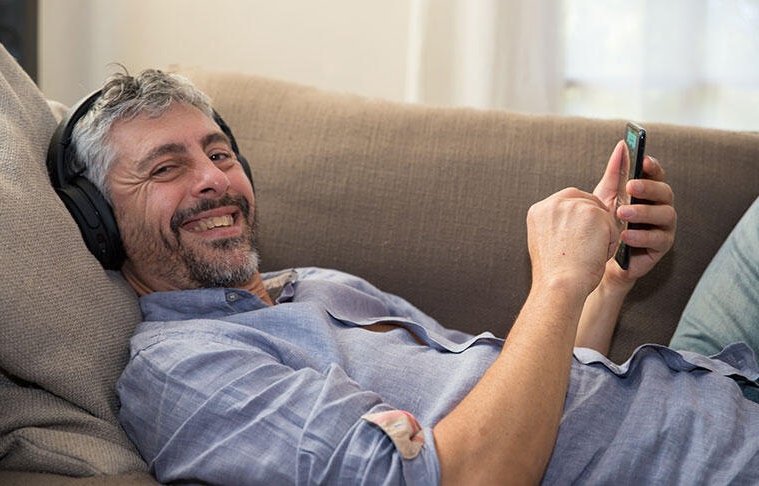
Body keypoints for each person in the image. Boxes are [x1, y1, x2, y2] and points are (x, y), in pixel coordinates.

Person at [64, 68, 759, 485]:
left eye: (219, 153)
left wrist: (602, 282)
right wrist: (552, 283)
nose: (214, 180)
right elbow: (466, 476)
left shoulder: (314, 285)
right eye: (166, 167)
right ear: (99, 220)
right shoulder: (184, 372)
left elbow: (540, 396)